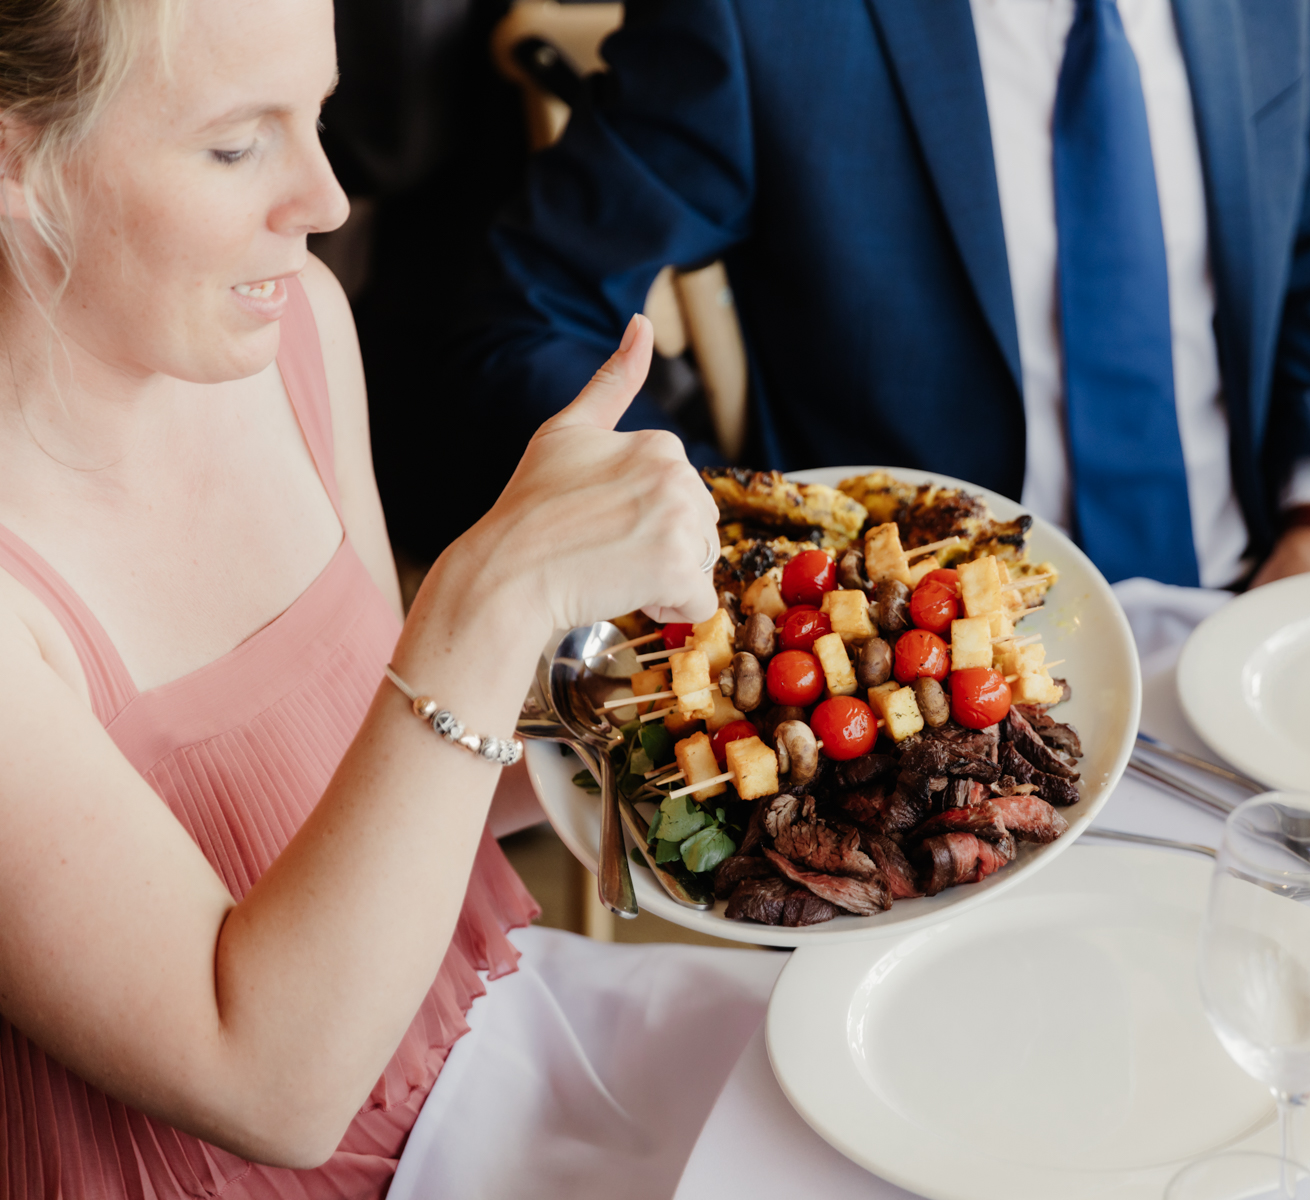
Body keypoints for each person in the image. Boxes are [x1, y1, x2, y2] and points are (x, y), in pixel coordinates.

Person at [0, 0, 777, 1195]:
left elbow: (381, 790)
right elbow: (272, 1086)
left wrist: (660, 708)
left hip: (486, 1051)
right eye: (235, 144)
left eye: (315, 115)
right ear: (14, 157)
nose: (325, 200)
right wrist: (486, 595)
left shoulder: (296, 325)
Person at [455, 0, 1310, 591]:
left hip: (1255, 595)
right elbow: (535, 303)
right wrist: (725, 540)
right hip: (922, 674)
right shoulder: (762, 19)